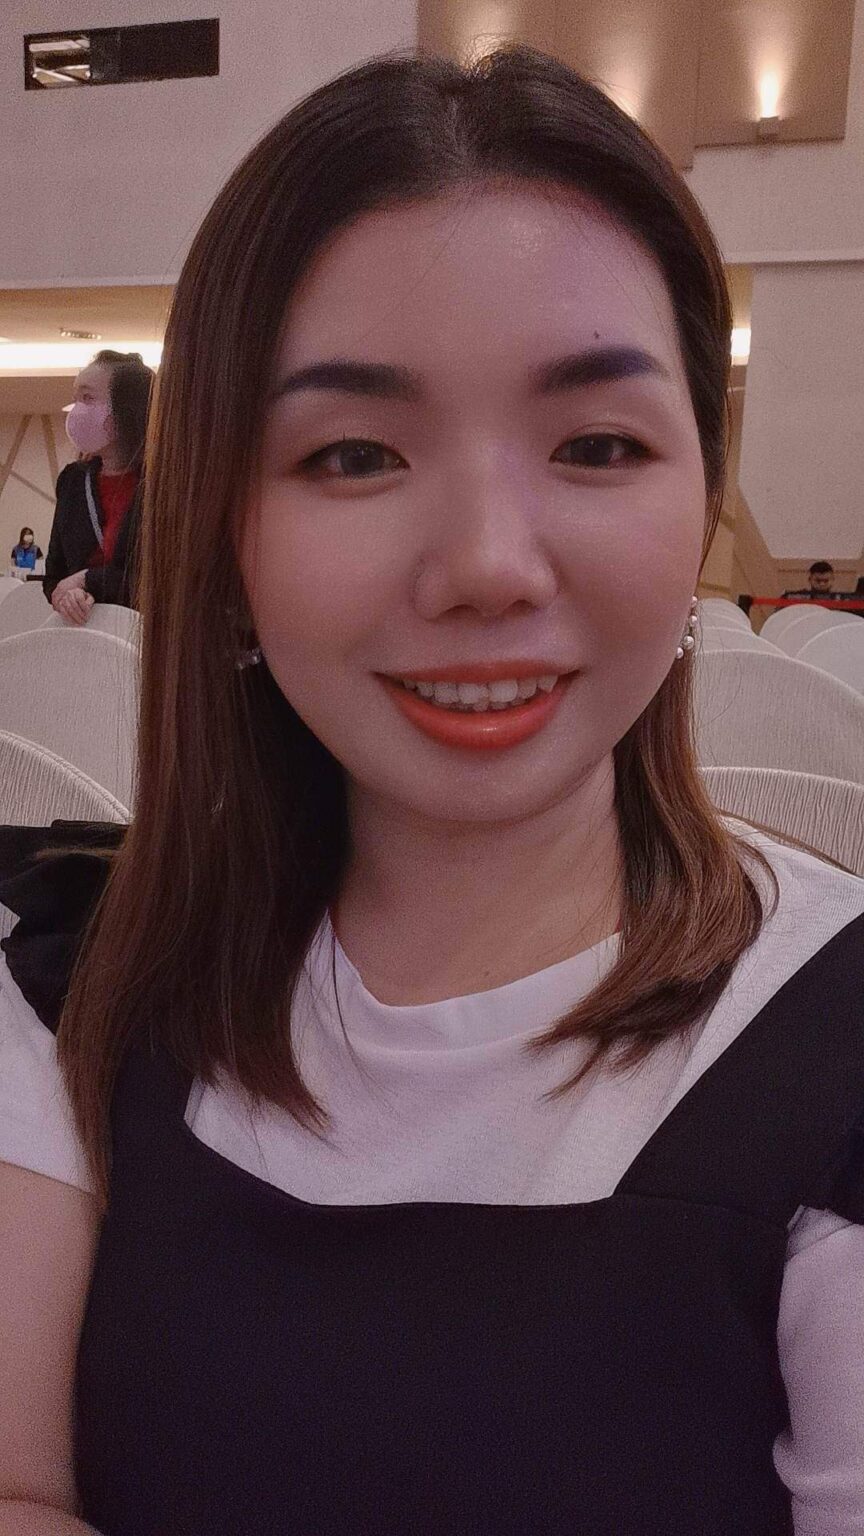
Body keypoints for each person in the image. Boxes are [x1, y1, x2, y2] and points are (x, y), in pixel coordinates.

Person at [0, 48, 863, 1536]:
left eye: (597, 445)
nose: (487, 567)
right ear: (226, 536)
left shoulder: (826, 1045)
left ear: (699, 502)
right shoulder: (71, 990)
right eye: (354, 455)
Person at [43, 349, 153, 625]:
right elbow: (55, 575)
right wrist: (66, 596)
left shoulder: (165, 485)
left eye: (88, 398)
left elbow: (158, 579)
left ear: (125, 408)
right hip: (83, 632)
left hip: (145, 632)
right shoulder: (73, 481)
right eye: (76, 399)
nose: (77, 410)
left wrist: (87, 581)